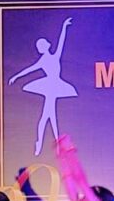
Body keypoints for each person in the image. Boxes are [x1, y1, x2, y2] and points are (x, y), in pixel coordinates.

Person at [8, 17, 78, 156]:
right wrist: (16, 76)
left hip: (55, 85)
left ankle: (46, 143)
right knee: (49, 117)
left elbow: (61, 42)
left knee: (48, 117)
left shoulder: (55, 56)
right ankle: (48, 144)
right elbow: (29, 69)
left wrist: (64, 26)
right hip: (50, 86)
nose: (42, 47)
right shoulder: (43, 60)